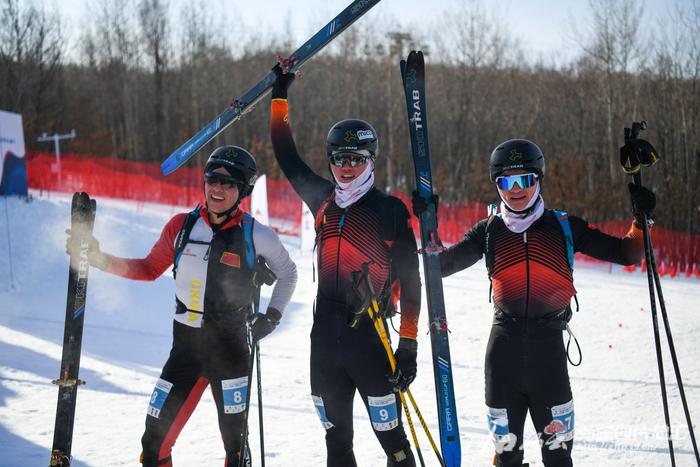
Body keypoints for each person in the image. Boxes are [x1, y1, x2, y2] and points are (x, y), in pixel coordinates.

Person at [413, 139, 655, 467]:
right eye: (506, 182)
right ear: (497, 185)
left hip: (549, 361)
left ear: (538, 179)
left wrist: (642, 220)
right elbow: (438, 267)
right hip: (502, 360)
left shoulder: (564, 227)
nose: (516, 189)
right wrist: (426, 219)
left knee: (558, 459)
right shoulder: (488, 231)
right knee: (506, 457)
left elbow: (628, 254)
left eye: (524, 179)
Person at [66, 146, 298, 467]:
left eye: (228, 184)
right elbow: (148, 269)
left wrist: (271, 317)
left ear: (243, 191)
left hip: (230, 351)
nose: (217, 189)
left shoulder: (255, 234)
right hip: (186, 350)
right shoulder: (181, 228)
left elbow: (288, 273)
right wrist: (98, 258)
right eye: (212, 179)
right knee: (153, 443)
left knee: (235, 447)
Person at [269, 66, 421, 466]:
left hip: (371, 341)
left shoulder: (390, 211)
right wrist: (279, 96)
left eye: (355, 158)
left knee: (395, 445)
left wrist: (408, 344)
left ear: (370, 160)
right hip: (324, 341)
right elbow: (287, 156)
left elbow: (412, 280)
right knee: (337, 446)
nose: (346, 166)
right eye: (338, 158)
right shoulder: (322, 199)